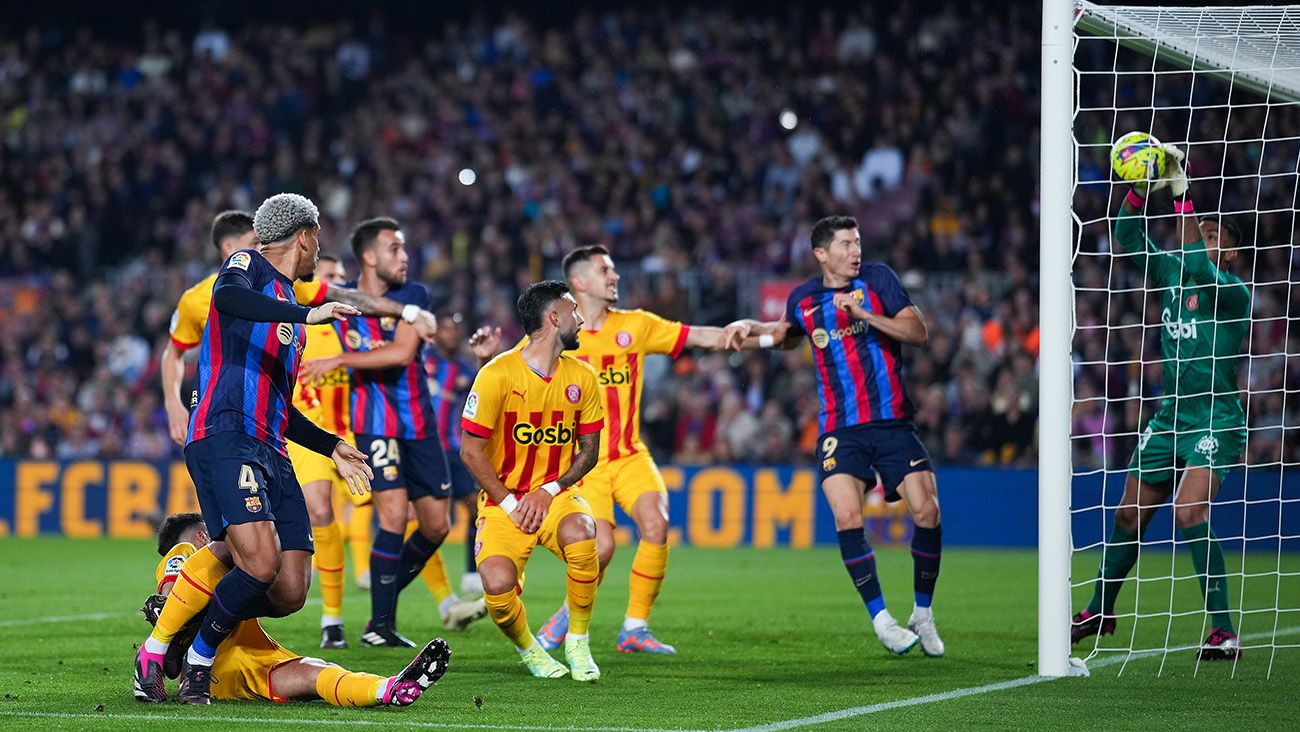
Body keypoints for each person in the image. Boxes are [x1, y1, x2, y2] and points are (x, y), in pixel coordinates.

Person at [136, 193, 375, 705]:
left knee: (288, 589)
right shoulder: (246, 265)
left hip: (272, 446)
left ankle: (183, 615)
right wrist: (307, 314)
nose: (318, 251)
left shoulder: (289, 318)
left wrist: (331, 445)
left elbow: (281, 407)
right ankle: (185, 658)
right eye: (318, 241)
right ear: (305, 236)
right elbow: (227, 299)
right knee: (259, 563)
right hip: (225, 435)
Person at [535, 246, 764, 655]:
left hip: (628, 453)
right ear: (580, 282)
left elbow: (694, 335)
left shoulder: (636, 325)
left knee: (656, 524)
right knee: (600, 550)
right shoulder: (560, 335)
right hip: (584, 464)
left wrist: (735, 333)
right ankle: (567, 615)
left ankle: (635, 629)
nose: (615, 276)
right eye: (605, 270)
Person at [1071, 145, 1250, 660]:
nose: (1204, 239)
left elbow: (1196, 257)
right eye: (1204, 230)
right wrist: (1140, 187)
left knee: (1189, 509)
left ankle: (1223, 630)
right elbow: (1127, 236)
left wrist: (1181, 191)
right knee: (1128, 517)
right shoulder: (1173, 270)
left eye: (1216, 236)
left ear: (1231, 253)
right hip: (1170, 416)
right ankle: (1101, 608)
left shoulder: (1232, 291)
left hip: (1215, 419)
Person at [754, 215, 945, 657]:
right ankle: (882, 620)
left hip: (893, 423)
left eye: (858, 242)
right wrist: (757, 335)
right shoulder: (803, 298)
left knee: (928, 511)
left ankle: (923, 611)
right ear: (822, 253)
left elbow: (918, 332)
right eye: (846, 244)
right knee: (846, 516)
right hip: (841, 427)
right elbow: (787, 336)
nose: (856, 251)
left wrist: (863, 314)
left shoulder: (878, 280)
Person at [299, 218, 452, 648]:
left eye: (404, 250)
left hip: (418, 423)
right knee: (392, 516)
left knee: (437, 526)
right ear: (369, 256)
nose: (405, 258)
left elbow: (403, 353)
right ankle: (380, 624)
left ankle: (383, 594)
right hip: (372, 425)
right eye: (395, 249)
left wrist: (340, 361)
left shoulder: (414, 295)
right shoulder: (340, 295)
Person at [140, 513, 450, 707]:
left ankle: (387, 689)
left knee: (317, 675)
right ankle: (169, 649)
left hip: (240, 667)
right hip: (207, 665)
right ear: (202, 536)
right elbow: (170, 588)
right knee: (316, 673)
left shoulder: (216, 567)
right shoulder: (185, 554)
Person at [459, 281, 605, 680]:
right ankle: (531, 651)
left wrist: (549, 489)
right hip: (503, 501)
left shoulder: (583, 377)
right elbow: (470, 452)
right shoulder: (497, 374)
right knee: (497, 586)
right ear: (554, 318)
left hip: (555, 495)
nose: (581, 318)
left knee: (583, 531)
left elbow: (588, 452)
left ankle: (577, 642)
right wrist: (510, 503)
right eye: (574, 310)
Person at [288, 253, 360, 649]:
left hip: (354, 431)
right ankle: (332, 617)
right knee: (319, 509)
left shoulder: (351, 331)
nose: (338, 284)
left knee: (394, 511)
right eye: (330, 276)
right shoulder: (295, 324)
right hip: (310, 435)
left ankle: (382, 611)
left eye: (343, 278)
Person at [423, 312, 503, 599]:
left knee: (475, 507)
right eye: (446, 329)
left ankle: (471, 571)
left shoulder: (466, 369)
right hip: (427, 449)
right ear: (436, 332)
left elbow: (486, 393)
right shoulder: (422, 360)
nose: (451, 335)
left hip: (455, 449)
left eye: (456, 330)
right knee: (428, 518)